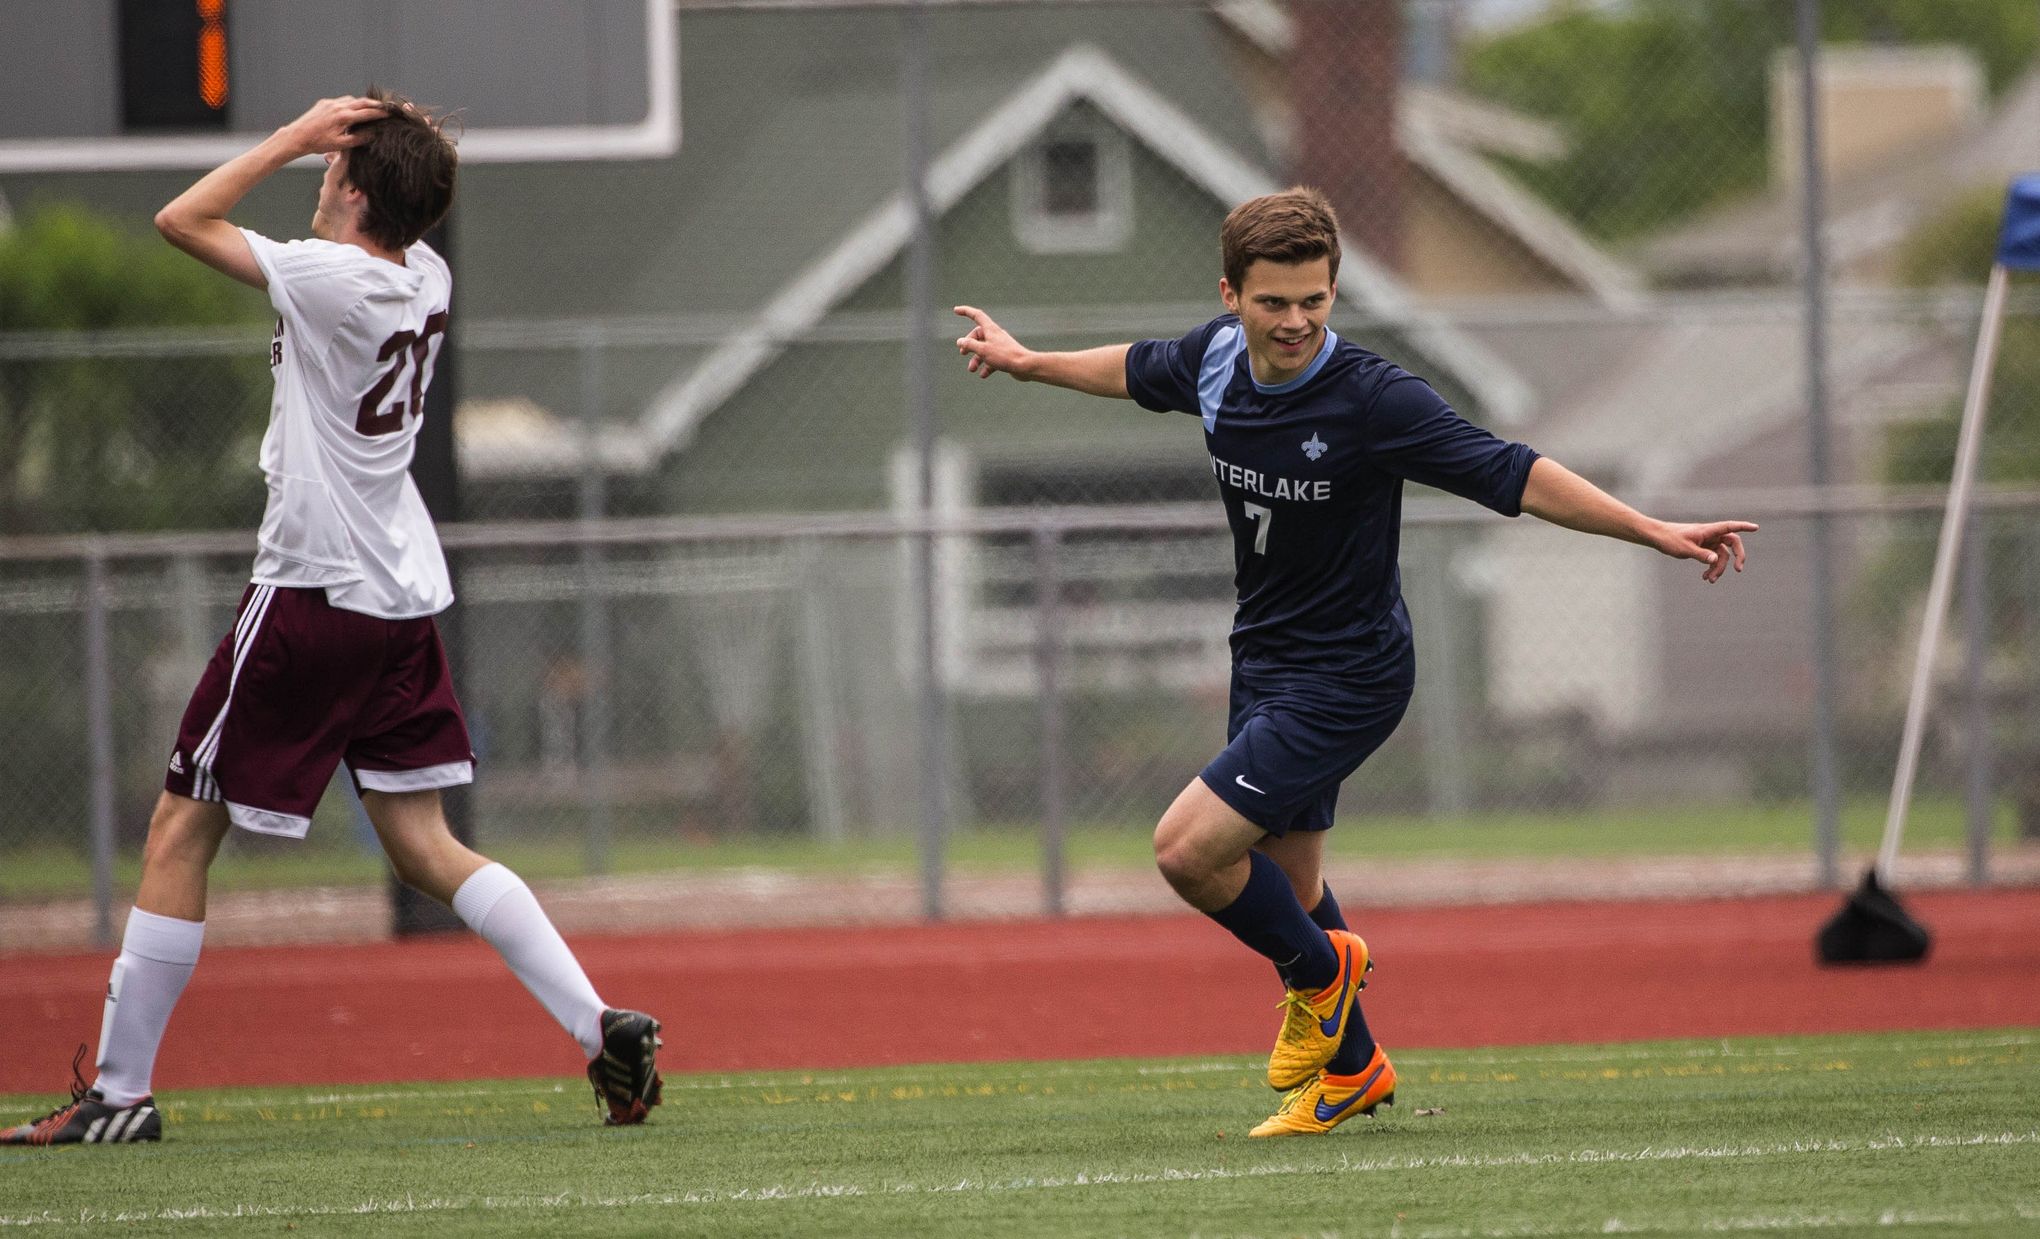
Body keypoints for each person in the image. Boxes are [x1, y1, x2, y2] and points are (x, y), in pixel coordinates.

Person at [954, 187, 1754, 1138]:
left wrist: (1652, 528)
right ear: (1231, 296)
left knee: (1186, 850)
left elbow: (1515, 472)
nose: (1295, 322)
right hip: (1264, 661)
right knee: (1289, 890)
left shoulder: (1376, 399)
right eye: (1273, 302)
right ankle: (1356, 1068)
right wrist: (1029, 362)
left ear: (1334, 295)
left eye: (1315, 301)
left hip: (1351, 673)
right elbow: (1129, 369)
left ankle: (1323, 973)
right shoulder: (1213, 362)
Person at [2, 92, 662, 1146]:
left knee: (179, 829)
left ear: (355, 190)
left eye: (330, 174)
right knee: (424, 845)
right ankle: (600, 1022)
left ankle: (120, 1094)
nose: (317, 184)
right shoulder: (425, 276)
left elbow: (180, 220)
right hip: (399, 602)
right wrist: (379, 144)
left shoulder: (333, 275)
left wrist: (290, 138)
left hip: (313, 591)